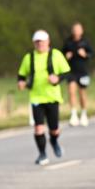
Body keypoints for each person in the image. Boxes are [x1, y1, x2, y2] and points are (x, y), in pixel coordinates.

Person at [17, 30, 71, 166]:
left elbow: (66, 72)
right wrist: (21, 82)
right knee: (38, 128)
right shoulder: (29, 57)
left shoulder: (56, 55)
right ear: (34, 43)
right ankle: (42, 154)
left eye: (42, 41)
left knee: (54, 128)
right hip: (36, 97)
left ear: (48, 42)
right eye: (37, 42)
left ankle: (54, 140)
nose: (40, 44)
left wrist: (57, 78)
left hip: (52, 97)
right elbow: (21, 74)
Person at [63, 22, 94, 127]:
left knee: (82, 94)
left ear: (81, 31)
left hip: (83, 72)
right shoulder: (68, 42)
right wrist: (66, 56)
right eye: (74, 29)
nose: (76, 31)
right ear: (72, 31)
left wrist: (84, 54)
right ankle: (73, 115)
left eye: (78, 29)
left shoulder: (85, 42)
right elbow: (61, 55)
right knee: (71, 92)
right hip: (71, 72)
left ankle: (84, 114)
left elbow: (91, 54)